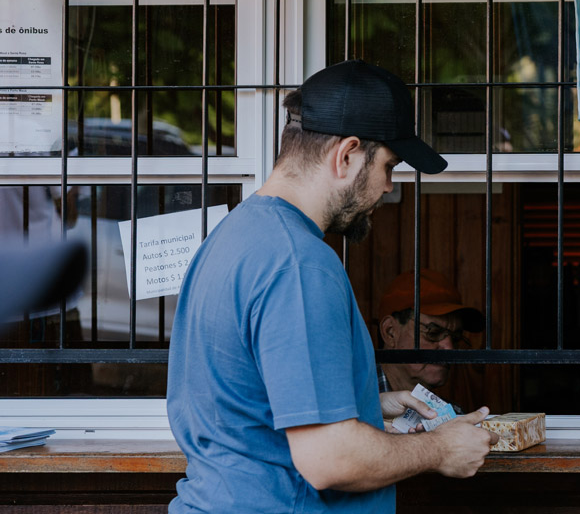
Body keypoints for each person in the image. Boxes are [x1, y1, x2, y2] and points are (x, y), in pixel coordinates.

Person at [166, 60, 497, 514]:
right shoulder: (300, 264)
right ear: (346, 155)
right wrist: (441, 447)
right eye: (388, 166)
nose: (387, 186)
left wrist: (366, 404)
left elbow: (246, 405)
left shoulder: (234, 236)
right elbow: (330, 459)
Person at [376, 269, 484, 405]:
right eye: (433, 333)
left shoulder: (454, 417)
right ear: (390, 332)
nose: (449, 348)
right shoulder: (349, 409)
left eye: (456, 337)